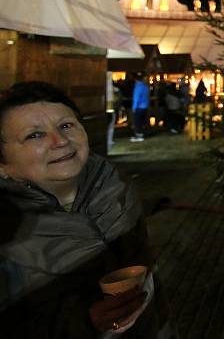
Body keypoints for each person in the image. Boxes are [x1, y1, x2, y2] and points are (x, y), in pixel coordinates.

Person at [0, 81, 171, 337]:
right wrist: (86, 323)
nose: (60, 141)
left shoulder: (115, 186)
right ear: (3, 165)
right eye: (34, 135)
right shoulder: (7, 228)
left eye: (66, 125)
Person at [131, 72, 150, 142]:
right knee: (142, 122)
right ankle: (141, 134)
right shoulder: (145, 86)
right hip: (145, 106)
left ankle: (138, 136)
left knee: (137, 122)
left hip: (139, 107)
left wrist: (134, 108)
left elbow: (136, 98)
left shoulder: (138, 87)